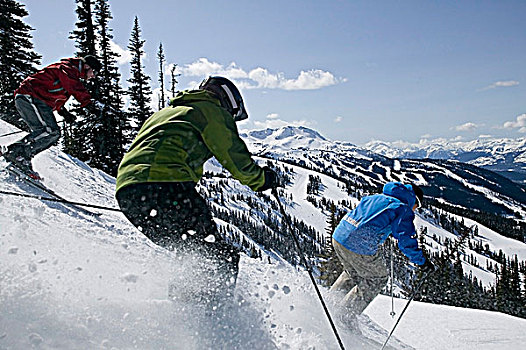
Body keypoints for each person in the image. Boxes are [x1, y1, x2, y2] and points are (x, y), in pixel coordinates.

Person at [115, 76, 279, 311]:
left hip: (129, 191)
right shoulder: (211, 110)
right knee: (220, 256)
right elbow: (232, 153)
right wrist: (262, 180)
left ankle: (182, 318)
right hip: (164, 186)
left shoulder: (168, 112)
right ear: (229, 102)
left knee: (191, 254)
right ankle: (214, 321)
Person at [330, 182, 434, 327]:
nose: (416, 210)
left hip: (339, 237)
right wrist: (421, 261)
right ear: (414, 199)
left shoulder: (377, 197)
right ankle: (343, 318)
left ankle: (328, 304)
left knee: (353, 272)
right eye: (418, 206)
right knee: (377, 279)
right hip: (359, 245)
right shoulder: (402, 208)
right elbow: (406, 241)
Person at [2, 55, 104, 178]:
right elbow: (73, 86)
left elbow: (58, 93)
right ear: (87, 66)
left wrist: (63, 112)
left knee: (46, 133)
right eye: (94, 72)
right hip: (31, 96)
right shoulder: (68, 69)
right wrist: (88, 103)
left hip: (34, 99)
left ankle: (22, 157)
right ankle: (16, 152)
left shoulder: (70, 73)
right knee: (51, 131)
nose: (94, 76)